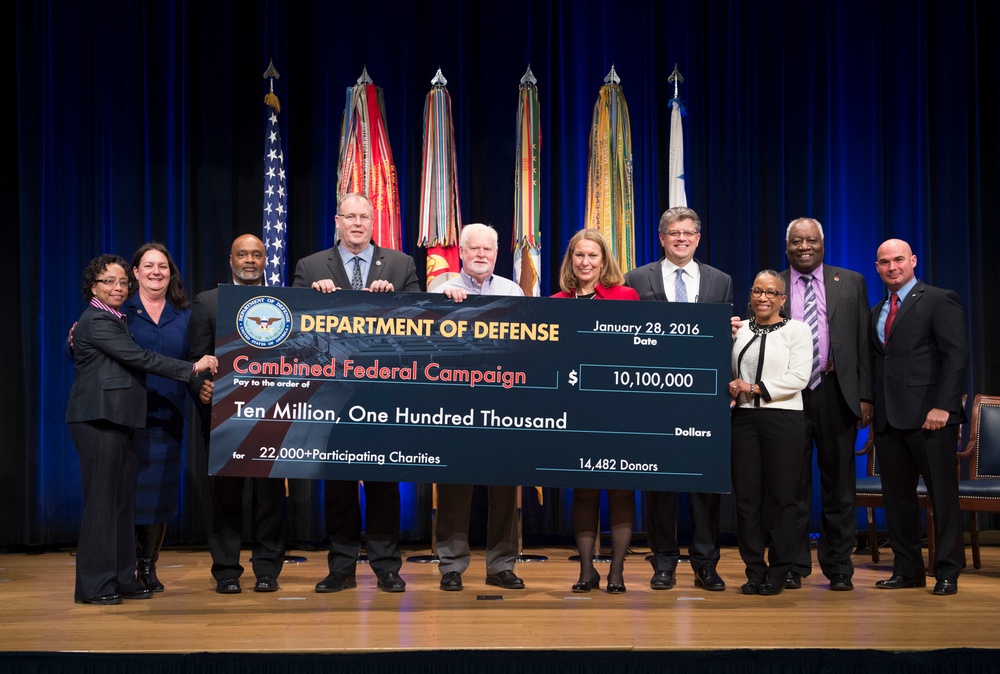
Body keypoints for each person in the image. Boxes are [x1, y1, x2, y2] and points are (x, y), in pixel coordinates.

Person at [66, 254, 217, 605]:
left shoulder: (114, 318)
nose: (118, 288)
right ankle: (95, 586)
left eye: (122, 283)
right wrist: (192, 367)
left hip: (122, 419)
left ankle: (123, 578)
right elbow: (139, 357)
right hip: (99, 419)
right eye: (109, 282)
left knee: (120, 505)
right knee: (102, 506)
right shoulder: (98, 319)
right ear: (93, 287)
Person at [292, 192, 419, 593]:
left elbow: (423, 320)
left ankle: (386, 567)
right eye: (351, 216)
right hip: (331, 394)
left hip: (383, 393)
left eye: (365, 216)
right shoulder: (311, 266)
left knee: (384, 483)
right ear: (338, 221)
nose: (358, 223)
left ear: (372, 221)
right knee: (339, 486)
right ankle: (341, 568)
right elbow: (294, 328)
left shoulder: (401, 264)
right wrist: (314, 298)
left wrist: (396, 300)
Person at [624, 206, 734, 592]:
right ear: (662, 238)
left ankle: (706, 564)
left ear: (698, 238)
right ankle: (664, 562)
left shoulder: (721, 281)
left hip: (705, 399)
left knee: (705, 485)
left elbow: (725, 344)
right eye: (674, 233)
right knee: (660, 484)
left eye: (688, 233)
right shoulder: (636, 279)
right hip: (655, 399)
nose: (681, 239)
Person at [775, 218, 873, 592]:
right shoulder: (773, 283)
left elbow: (864, 343)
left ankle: (839, 567)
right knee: (790, 487)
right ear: (787, 247)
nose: (804, 246)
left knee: (840, 488)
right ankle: (792, 565)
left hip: (837, 393)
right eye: (797, 241)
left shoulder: (850, 281)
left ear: (823, 243)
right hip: (788, 397)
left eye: (811, 240)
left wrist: (866, 395)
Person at [188, 234, 288, 594]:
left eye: (256, 254)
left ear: (266, 260)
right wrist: (200, 387)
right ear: (230, 260)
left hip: (273, 417)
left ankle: (267, 570)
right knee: (225, 500)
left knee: (270, 499)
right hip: (224, 419)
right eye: (242, 254)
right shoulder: (209, 302)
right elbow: (194, 361)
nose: (250, 260)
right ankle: (227, 571)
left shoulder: (285, 301)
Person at [871, 239, 968, 595]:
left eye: (898, 259)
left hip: (932, 418)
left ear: (913, 261)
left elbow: (956, 356)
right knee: (898, 501)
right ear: (877, 267)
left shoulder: (940, 299)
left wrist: (944, 406)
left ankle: (947, 571)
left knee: (942, 498)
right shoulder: (877, 309)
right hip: (889, 420)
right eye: (884, 262)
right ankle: (907, 569)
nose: (892, 267)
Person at [431, 223, 525, 592]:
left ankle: (501, 565)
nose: (482, 255)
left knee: (504, 488)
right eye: (474, 249)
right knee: (454, 489)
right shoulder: (440, 289)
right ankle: (451, 566)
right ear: (462, 253)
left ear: (496, 254)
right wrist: (443, 306)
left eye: (488, 249)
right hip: (454, 404)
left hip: (503, 402)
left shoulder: (512, 290)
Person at [552, 229, 639, 593]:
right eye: (579, 256)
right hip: (576, 411)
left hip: (619, 410)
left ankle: (616, 572)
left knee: (620, 491)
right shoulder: (556, 301)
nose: (585, 262)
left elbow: (638, 354)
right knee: (584, 492)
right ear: (570, 260)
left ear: (604, 261)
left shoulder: (626, 297)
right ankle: (586, 571)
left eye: (592, 256)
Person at [729, 270, 812, 596]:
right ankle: (753, 571)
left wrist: (754, 387)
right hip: (745, 422)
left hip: (784, 420)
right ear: (750, 296)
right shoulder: (741, 330)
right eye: (757, 291)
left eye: (771, 292)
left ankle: (780, 571)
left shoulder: (798, 330)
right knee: (747, 500)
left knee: (782, 499)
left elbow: (799, 378)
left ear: (782, 298)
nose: (763, 298)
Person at [123, 243, 192, 593]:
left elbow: (197, 360)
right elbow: (86, 346)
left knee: (158, 499)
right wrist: (73, 342)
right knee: (128, 496)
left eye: (162, 266)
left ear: (171, 272)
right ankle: (127, 567)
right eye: (148, 265)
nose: (155, 272)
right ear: (134, 272)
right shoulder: (120, 310)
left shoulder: (185, 314)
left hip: (169, 419)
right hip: (125, 417)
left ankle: (148, 567)